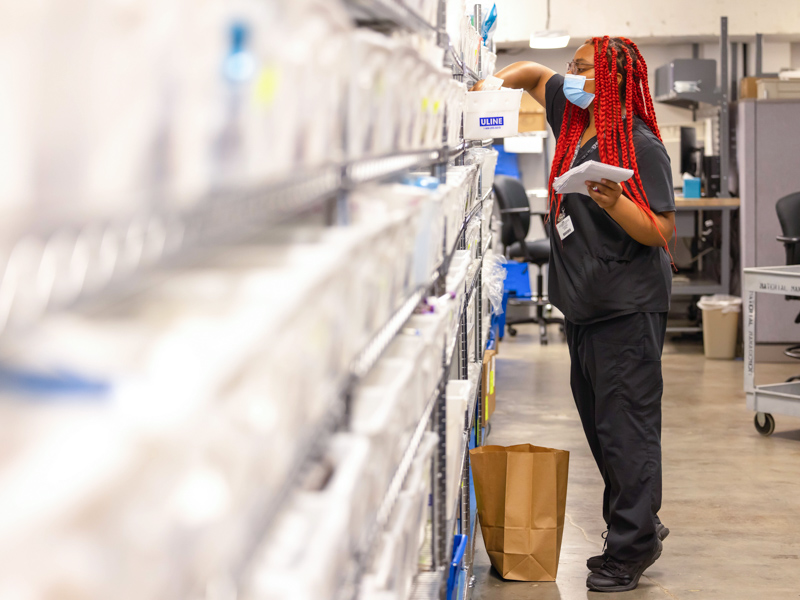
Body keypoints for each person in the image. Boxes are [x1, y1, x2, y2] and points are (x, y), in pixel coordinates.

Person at [474, 37, 675, 592]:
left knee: (626, 431)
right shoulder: (573, 116)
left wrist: (617, 203)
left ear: (611, 80)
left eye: (583, 68)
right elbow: (533, 73)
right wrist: (490, 87)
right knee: (601, 428)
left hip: (625, 309)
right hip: (585, 305)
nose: (572, 74)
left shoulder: (639, 144)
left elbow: (661, 232)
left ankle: (631, 548)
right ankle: (639, 523)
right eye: (574, 66)